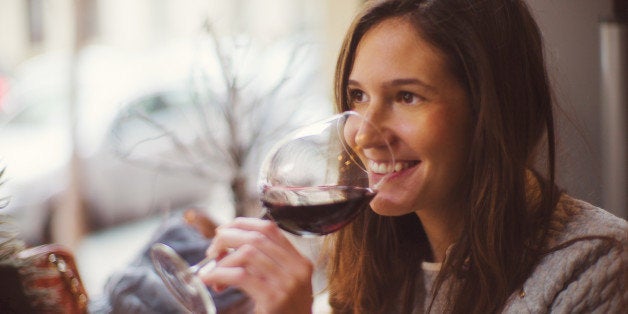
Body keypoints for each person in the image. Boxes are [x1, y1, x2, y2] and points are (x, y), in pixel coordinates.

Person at [200, 0, 628, 313]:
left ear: (492, 110)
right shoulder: (369, 254)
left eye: (407, 96)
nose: (364, 133)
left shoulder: (598, 264)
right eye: (358, 96)